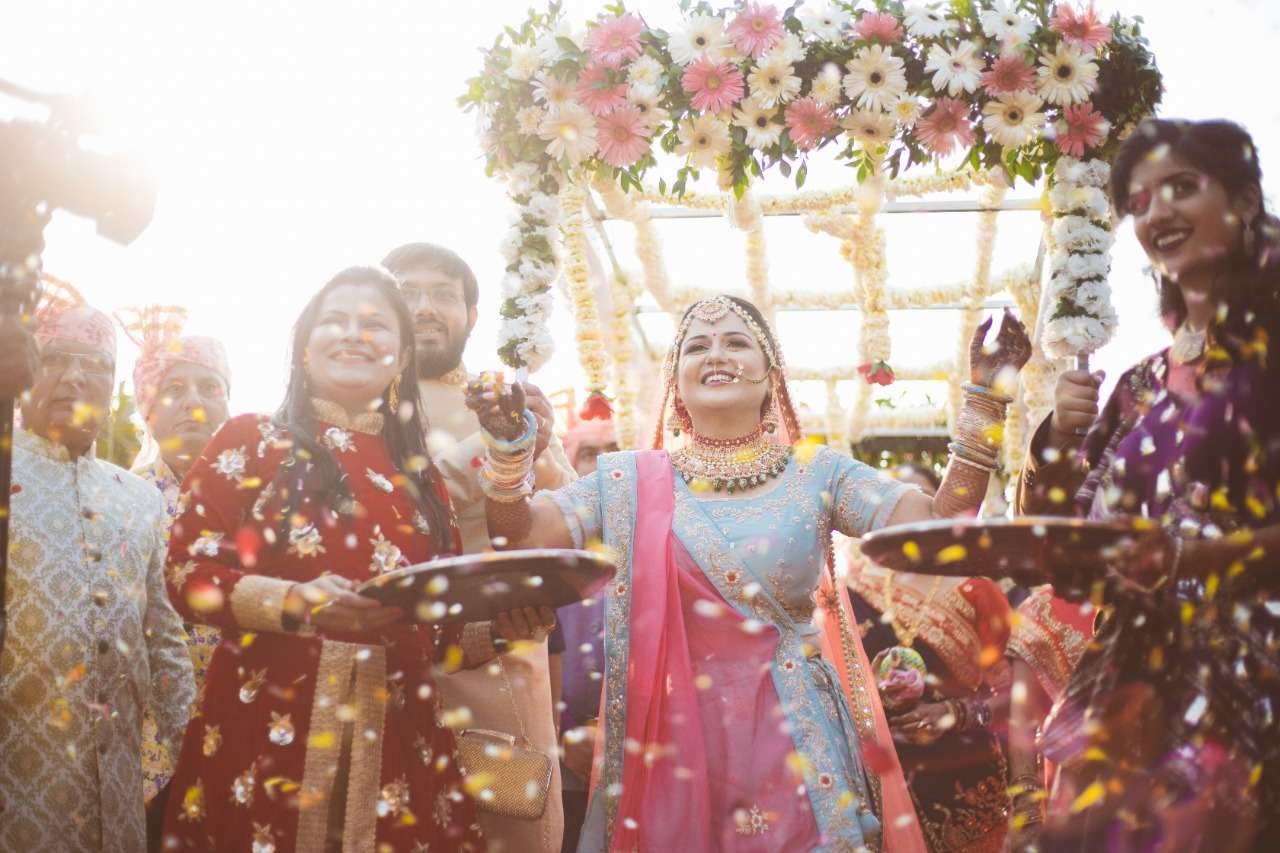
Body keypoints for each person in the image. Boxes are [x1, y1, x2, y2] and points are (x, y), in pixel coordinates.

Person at [467, 294, 1032, 851]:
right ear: (676, 381)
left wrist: (986, 400)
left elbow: (941, 523)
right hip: (674, 746)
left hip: (795, 735)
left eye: (736, 342)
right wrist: (508, 450)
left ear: (770, 375)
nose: (716, 354)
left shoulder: (817, 473)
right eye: (696, 347)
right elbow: (522, 534)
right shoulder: (627, 483)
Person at [158, 266, 490, 851]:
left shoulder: (421, 481)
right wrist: (293, 601)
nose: (354, 334)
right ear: (305, 348)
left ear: (402, 357)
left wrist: (512, 624)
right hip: (262, 736)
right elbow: (186, 573)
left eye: (375, 325)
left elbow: (444, 633)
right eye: (334, 321)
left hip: (399, 745)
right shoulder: (251, 441)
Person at [1016, 119, 1280, 849]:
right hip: (1133, 689)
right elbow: (1068, 555)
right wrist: (1055, 442)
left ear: (1244, 203)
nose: (1158, 211)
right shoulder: (1140, 386)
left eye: (1182, 187)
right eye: (1140, 201)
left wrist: (1194, 559)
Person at [383, 242, 569, 853]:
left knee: (511, 829)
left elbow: (565, 520)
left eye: (443, 294)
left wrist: (529, 444)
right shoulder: (358, 403)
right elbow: (393, 508)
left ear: (471, 315)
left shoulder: (501, 400)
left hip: (498, 661)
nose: (425, 307)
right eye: (408, 292)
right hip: (384, 659)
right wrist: (496, 445)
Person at [0, 284, 194, 851]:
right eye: (56, 358)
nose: (75, 377)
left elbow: (164, 640)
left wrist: (193, 753)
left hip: (118, 796)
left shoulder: (140, 499)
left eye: (96, 365)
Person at [844, 465, 1013, 852]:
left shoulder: (977, 591)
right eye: (893, 498)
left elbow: (1018, 697)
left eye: (917, 497)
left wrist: (954, 713)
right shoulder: (851, 589)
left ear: (941, 507)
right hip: (877, 780)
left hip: (965, 781)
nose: (905, 511)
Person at [118, 305, 234, 809]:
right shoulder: (119, 501)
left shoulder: (266, 502)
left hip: (246, 732)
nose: (194, 403)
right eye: (174, 389)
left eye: (210, 387)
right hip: (144, 752)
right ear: (147, 407)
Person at [551, 417, 618, 852]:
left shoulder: (662, 547)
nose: (606, 465)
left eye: (616, 452)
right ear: (571, 466)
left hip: (646, 758)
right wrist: (566, 736)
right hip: (564, 765)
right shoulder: (550, 556)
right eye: (591, 453)